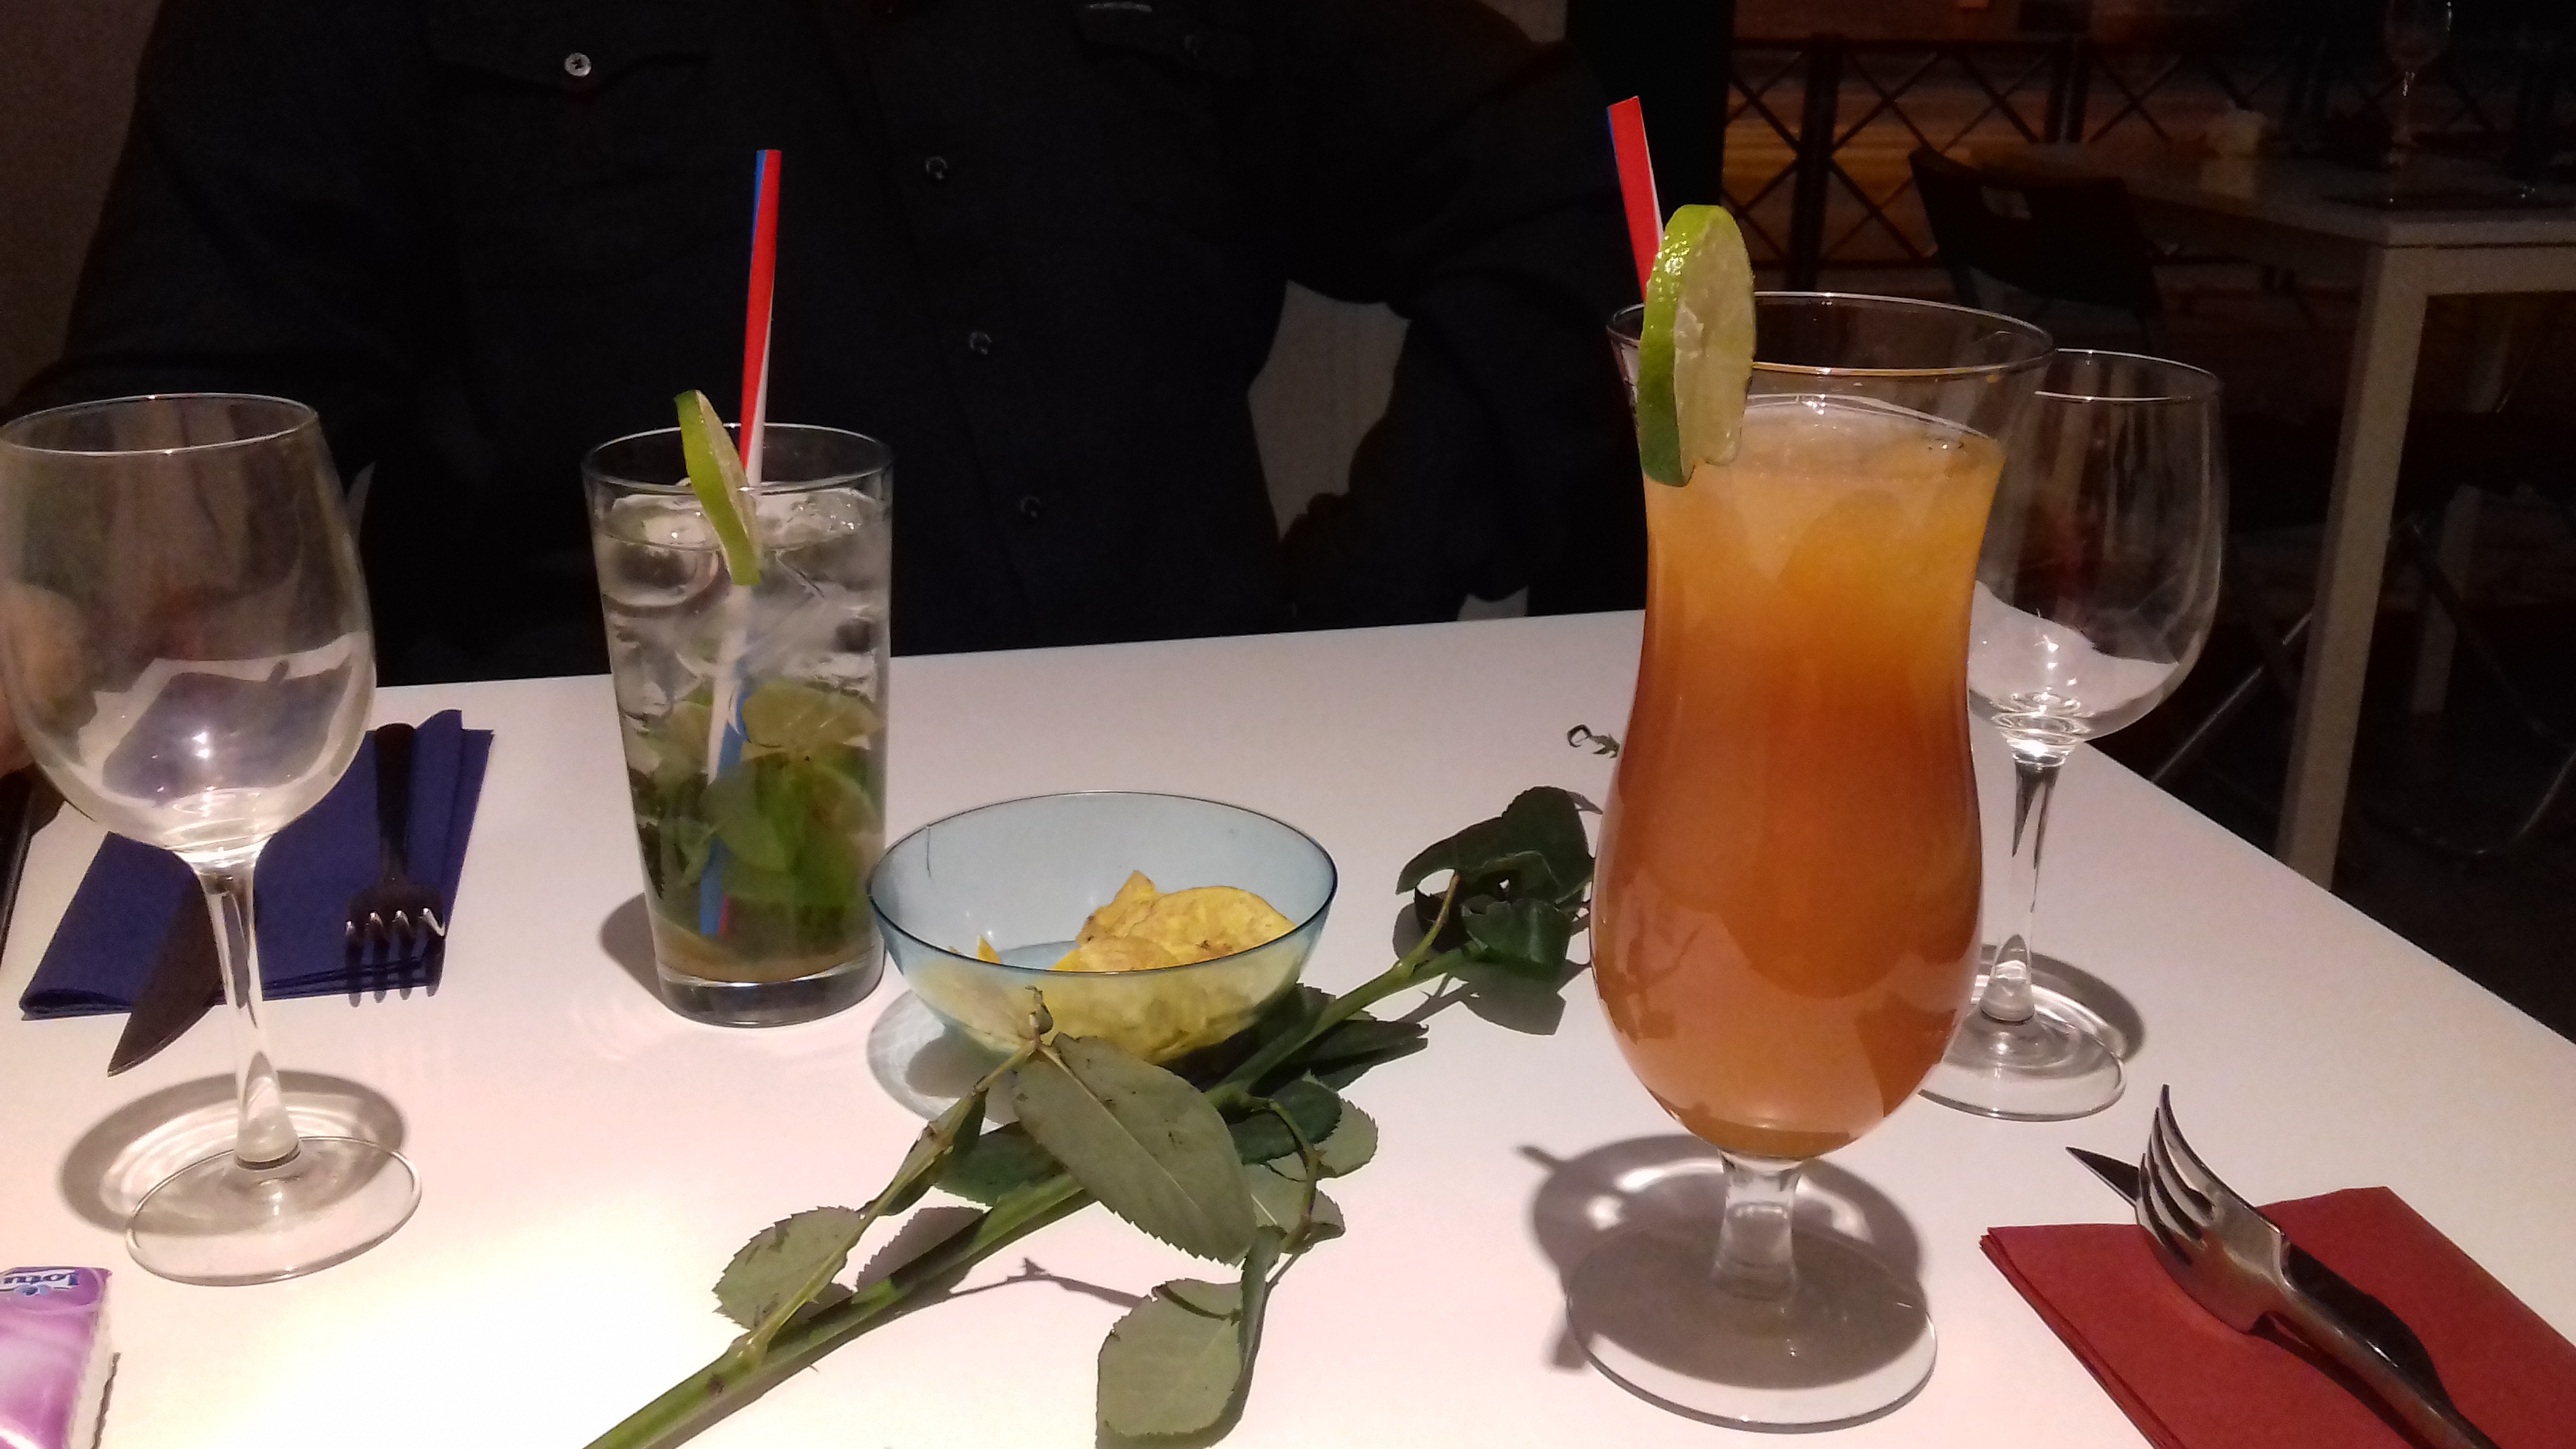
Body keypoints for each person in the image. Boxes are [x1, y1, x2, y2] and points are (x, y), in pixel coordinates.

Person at [10, 0, 1644, 687]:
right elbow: (168, 419)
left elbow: (1558, 187)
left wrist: (1361, 601)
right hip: (613, 882)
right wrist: (62, 603)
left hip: (1187, 827)